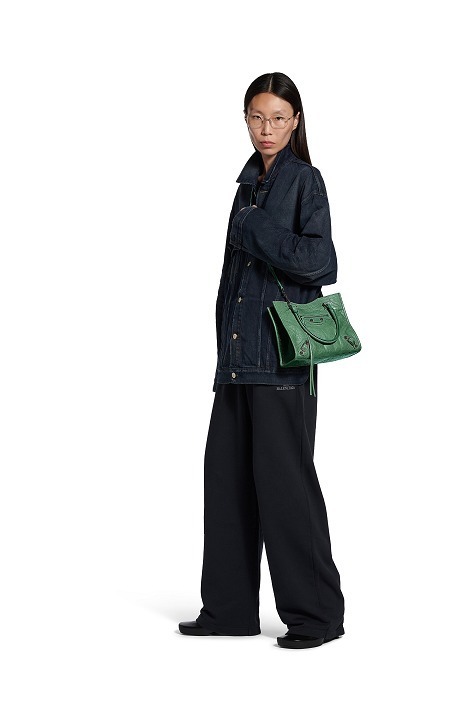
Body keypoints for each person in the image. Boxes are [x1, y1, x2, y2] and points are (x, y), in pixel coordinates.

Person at [178, 72, 345, 649]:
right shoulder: (247, 184)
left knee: (286, 488)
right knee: (225, 484)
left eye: (277, 118)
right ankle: (228, 610)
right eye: (257, 117)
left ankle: (317, 617)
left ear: (295, 121)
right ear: (245, 120)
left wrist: (255, 228)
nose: (266, 128)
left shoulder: (304, 181)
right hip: (236, 361)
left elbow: (319, 262)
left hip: (282, 362)